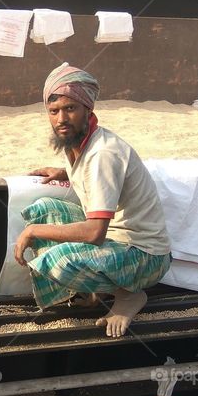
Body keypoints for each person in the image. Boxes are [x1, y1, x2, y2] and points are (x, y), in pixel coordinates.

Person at [14, 64, 172, 338]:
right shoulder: (77, 142)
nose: (61, 118)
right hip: (117, 241)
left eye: (70, 109)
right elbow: (96, 177)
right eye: (54, 111)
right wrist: (65, 172)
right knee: (43, 210)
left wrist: (32, 232)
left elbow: (94, 233)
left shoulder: (103, 154)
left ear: (88, 109)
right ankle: (92, 293)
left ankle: (129, 295)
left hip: (145, 256)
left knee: (58, 262)